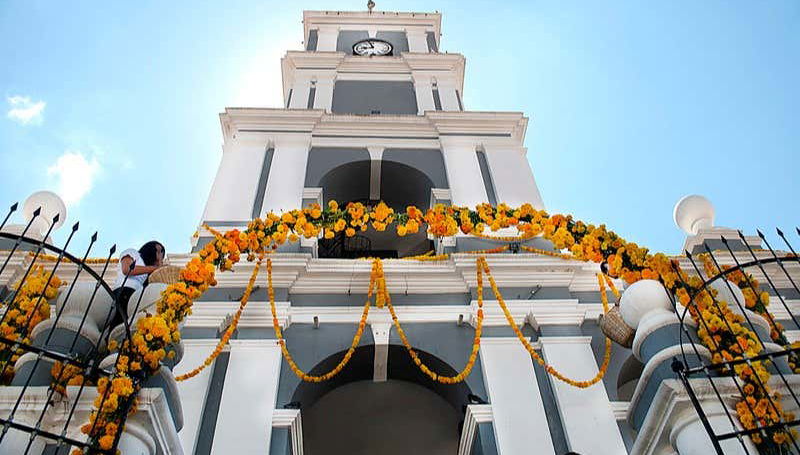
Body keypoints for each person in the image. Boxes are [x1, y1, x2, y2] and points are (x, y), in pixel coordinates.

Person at [110, 241, 165, 328]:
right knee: (119, 323)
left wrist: (159, 261)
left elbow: (160, 272)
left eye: (161, 252)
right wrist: (155, 267)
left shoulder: (147, 272)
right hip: (125, 290)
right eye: (157, 251)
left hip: (136, 298)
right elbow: (127, 269)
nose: (159, 254)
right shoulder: (133, 253)